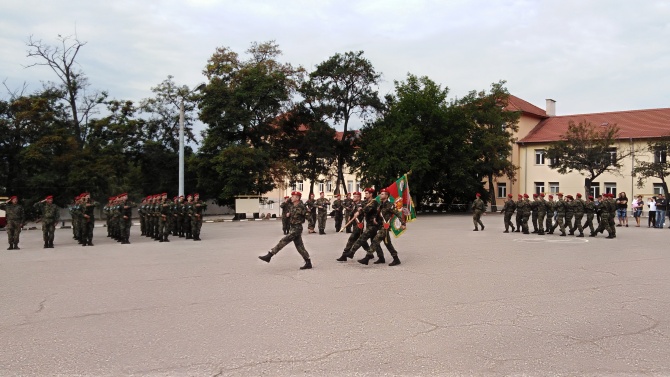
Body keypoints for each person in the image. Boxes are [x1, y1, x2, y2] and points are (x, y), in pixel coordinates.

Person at [258, 191, 312, 270]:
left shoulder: (302, 206)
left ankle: (269, 255)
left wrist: (311, 227)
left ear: (297, 198)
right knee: (300, 247)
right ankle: (308, 262)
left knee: (284, 240)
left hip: (297, 228)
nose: (291, 197)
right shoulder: (293, 205)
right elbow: (291, 211)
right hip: (292, 227)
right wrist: (288, 214)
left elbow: (309, 217)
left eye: (293, 196)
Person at [359, 188, 406, 266]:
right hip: (380, 226)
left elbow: (398, 214)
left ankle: (367, 258)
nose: (380, 195)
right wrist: (375, 219)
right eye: (380, 194)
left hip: (385, 227)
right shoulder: (380, 205)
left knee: (375, 240)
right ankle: (394, 259)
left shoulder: (390, 205)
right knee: (388, 244)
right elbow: (378, 214)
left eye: (382, 194)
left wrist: (403, 223)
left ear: (387, 196)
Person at [336, 191, 372, 261]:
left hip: (359, 225)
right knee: (362, 241)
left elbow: (361, 211)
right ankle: (370, 253)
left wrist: (359, 211)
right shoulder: (355, 204)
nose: (353, 198)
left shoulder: (361, 204)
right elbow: (353, 210)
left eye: (355, 197)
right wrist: (350, 215)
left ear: (358, 197)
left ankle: (344, 255)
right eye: (354, 196)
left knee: (351, 239)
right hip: (355, 224)